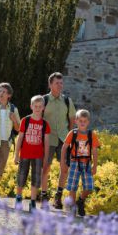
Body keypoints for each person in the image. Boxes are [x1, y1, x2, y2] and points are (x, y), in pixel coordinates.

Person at [41, 72, 76, 209]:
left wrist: (70, 137)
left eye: (61, 83)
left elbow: (72, 119)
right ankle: (44, 197)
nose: (60, 85)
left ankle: (58, 197)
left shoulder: (67, 101)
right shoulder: (44, 100)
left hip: (63, 139)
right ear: (50, 85)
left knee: (65, 168)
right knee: (46, 167)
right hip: (48, 139)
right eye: (57, 83)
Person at [14, 95, 50, 212]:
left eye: (40, 106)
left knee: (36, 179)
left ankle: (33, 202)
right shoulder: (26, 120)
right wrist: (16, 155)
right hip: (24, 154)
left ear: (43, 107)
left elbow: (47, 143)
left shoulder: (45, 124)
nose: (38, 108)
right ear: (31, 106)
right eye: (35, 106)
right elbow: (19, 139)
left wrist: (46, 159)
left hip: (38, 156)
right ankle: (18, 199)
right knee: (21, 177)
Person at [61, 109, 99, 218]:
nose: (82, 123)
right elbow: (64, 147)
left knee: (89, 187)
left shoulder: (92, 135)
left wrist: (95, 165)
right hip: (74, 163)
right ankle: (72, 207)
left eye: (85, 121)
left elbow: (95, 151)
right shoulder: (72, 133)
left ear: (88, 122)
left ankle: (80, 201)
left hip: (86, 163)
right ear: (76, 121)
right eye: (80, 120)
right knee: (72, 187)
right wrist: (63, 163)